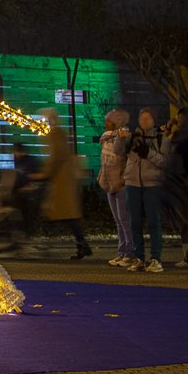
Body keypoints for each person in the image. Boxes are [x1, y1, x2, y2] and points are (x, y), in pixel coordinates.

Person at [32, 107, 92, 260]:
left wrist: (44, 174)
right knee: (68, 215)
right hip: (63, 179)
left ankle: (43, 240)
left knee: (54, 213)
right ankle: (81, 244)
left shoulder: (55, 135)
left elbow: (55, 157)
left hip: (60, 180)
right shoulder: (59, 133)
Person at [122, 107, 166, 273]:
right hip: (132, 183)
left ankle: (156, 258)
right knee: (134, 223)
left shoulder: (161, 137)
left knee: (154, 222)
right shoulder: (133, 136)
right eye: (142, 118)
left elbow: (165, 162)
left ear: (154, 120)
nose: (144, 121)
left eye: (148, 118)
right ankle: (139, 257)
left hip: (152, 184)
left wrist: (148, 153)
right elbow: (120, 152)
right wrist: (122, 139)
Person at [97, 109, 134, 267]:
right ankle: (122, 251)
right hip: (108, 183)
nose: (106, 123)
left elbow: (125, 157)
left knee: (125, 220)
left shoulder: (125, 137)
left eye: (110, 120)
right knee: (118, 221)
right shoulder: (106, 138)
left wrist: (123, 177)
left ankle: (130, 252)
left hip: (121, 183)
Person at [163, 106, 188, 269]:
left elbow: (168, 144)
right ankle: (186, 256)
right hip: (181, 184)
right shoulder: (181, 134)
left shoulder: (184, 135)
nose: (178, 121)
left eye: (180, 119)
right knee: (184, 223)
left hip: (183, 183)